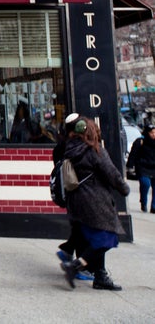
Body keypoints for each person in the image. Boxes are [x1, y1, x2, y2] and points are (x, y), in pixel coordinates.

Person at [60, 118, 131, 290]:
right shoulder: (95, 150)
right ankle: (75, 266)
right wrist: (124, 189)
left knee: (95, 237)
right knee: (107, 238)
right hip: (95, 200)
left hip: (77, 200)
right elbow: (112, 173)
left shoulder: (70, 149)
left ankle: (100, 276)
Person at [53, 113, 91, 282]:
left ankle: (67, 250)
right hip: (81, 192)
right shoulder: (77, 147)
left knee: (79, 227)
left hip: (70, 193)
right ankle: (79, 265)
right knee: (83, 228)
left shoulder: (61, 146)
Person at [127, 122, 155, 213]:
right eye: (151, 132)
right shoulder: (140, 141)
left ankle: (154, 206)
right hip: (143, 167)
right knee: (145, 184)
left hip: (153, 167)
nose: (153, 134)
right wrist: (130, 166)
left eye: (154, 132)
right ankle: (143, 202)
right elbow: (133, 154)